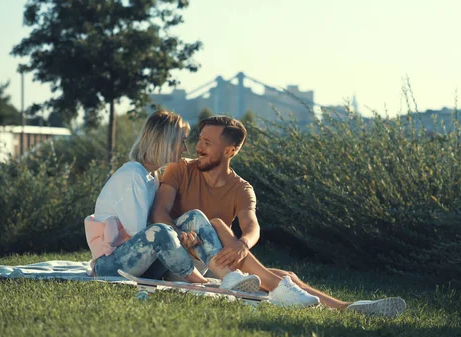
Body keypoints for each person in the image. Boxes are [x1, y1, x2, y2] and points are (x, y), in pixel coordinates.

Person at [151, 115, 407, 317]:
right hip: (177, 254)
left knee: (289, 276)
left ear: (230, 151)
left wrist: (242, 244)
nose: (198, 147)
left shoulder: (241, 188)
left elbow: (251, 225)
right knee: (217, 223)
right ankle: (291, 293)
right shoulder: (180, 168)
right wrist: (178, 234)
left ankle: (345, 307)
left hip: (212, 262)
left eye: (208, 143)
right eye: (200, 140)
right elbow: (160, 210)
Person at [84, 110, 261, 293]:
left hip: (143, 263)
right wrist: (179, 233)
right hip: (111, 266)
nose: (185, 149)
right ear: (165, 143)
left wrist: (182, 232)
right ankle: (202, 282)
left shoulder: (152, 176)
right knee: (160, 230)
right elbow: (140, 232)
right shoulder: (132, 175)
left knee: (195, 217)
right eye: (182, 141)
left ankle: (229, 277)